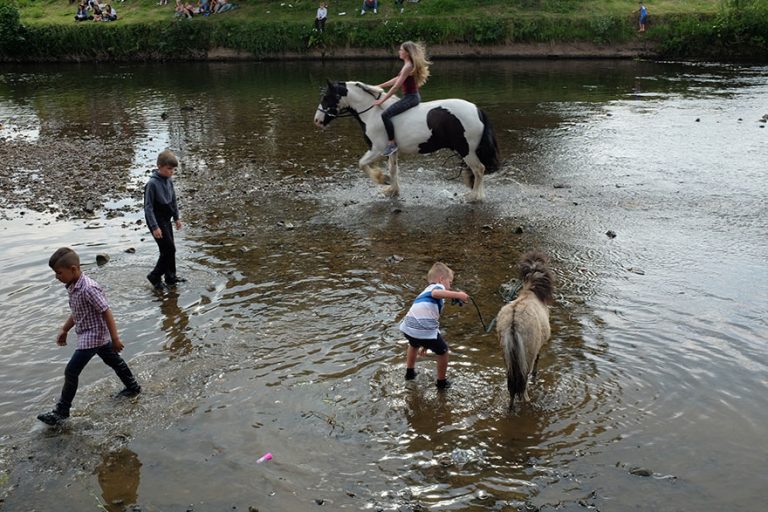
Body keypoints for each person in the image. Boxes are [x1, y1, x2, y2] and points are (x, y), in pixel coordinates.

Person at [37, 248, 141, 426]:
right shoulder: (73, 286)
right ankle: (133, 387)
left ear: (74, 269)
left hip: (93, 336)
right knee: (114, 361)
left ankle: (61, 412)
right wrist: (65, 329)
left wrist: (115, 338)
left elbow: (106, 311)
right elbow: (77, 312)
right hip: (90, 334)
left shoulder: (88, 288)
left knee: (71, 371)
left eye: (59, 273)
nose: (57, 277)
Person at [399, 262, 468, 389]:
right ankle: (441, 382)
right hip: (423, 329)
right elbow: (436, 293)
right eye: (450, 283)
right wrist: (458, 294)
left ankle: (409, 373)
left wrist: (426, 343)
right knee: (443, 352)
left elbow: (429, 318)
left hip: (408, 326)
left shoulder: (425, 291)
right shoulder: (437, 287)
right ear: (441, 279)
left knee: (413, 344)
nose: (449, 286)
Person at [373, 40, 431, 157]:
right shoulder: (407, 66)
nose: (399, 51)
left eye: (401, 50)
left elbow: (395, 87)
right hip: (411, 97)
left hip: (411, 98)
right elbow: (396, 79)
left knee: (385, 115)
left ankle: (391, 143)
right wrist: (379, 86)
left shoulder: (408, 66)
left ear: (407, 53)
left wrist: (382, 100)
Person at [144, 149, 184, 290]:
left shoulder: (169, 181)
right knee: (169, 250)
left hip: (166, 218)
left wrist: (177, 217)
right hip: (156, 220)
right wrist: (155, 227)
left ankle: (170, 277)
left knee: (169, 248)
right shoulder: (152, 184)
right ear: (159, 166)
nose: (171, 172)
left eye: (173, 170)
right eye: (168, 169)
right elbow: (148, 208)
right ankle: (155, 276)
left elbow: (173, 200)